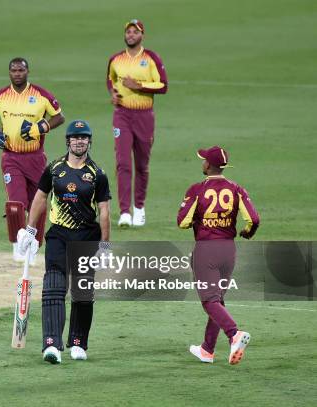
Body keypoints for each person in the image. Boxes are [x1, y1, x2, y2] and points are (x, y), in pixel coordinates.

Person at [17, 120, 111, 364]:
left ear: (89, 141)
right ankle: (51, 344)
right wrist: (29, 230)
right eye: (75, 137)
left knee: (82, 293)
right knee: (53, 288)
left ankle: (78, 343)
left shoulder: (97, 174)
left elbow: (104, 211)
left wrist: (105, 245)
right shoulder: (54, 168)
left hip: (86, 237)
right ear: (68, 141)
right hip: (58, 235)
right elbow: (40, 198)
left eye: (84, 137)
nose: (79, 141)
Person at [177, 146, 260, 365]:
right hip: (228, 250)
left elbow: (182, 222)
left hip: (206, 250)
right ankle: (207, 350)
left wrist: (198, 219)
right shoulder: (236, 189)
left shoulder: (197, 189)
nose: (202, 163)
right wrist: (247, 233)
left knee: (209, 301)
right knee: (218, 300)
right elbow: (253, 219)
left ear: (208, 165)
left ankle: (234, 334)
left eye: (203, 160)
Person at [0, 57, 65, 261]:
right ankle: (16, 244)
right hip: (11, 157)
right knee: (15, 202)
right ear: (9, 72)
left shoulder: (40, 95)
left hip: (35, 158)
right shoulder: (0, 96)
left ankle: (34, 243)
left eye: (21, 70)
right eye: (14, 70)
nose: (17, 73)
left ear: (27, 72)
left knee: (36, 203)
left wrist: (40, 127)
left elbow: (59, 117)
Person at [106, 19, 168, 227]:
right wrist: (113, 93)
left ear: (142, 35)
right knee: (123, 163)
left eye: (135, 32)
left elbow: (163, 85)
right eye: (128, 32)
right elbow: (110, 78)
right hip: (122, 115)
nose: (131, 35)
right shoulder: (116, 59)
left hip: (144, 116)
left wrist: (138, 85)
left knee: (141, 164)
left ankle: (139, 207)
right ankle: (124, 212)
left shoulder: (151, 58)